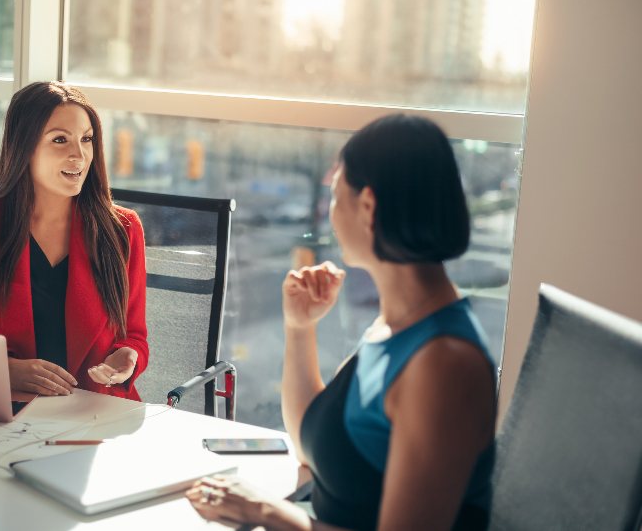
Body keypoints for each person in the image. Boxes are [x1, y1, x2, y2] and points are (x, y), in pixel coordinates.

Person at [187, 114, 497, 530]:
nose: (331, 214)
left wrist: (264, 511)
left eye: (336, 197)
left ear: (367, 206)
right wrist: (300, 328)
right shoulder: (395, 325)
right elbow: (313, 445)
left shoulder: (443, 364)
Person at [0, 81, 148, 400]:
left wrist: (128, 358)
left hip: (94, 411)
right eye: (60, 140)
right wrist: (3, 369)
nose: (79, 155)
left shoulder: (123, 229)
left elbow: (134, 335)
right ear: (24, 147)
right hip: (4, 407)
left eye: (87, 139)